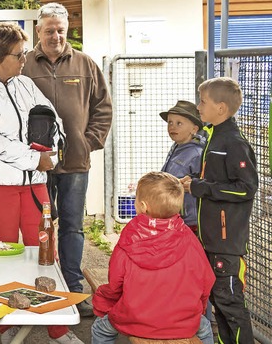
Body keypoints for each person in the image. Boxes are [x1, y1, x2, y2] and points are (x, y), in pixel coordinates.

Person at [0, 23, 81, 344]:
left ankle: (58, 328)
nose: (25, 59)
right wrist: (32, 159)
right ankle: (8, 324)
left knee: (45, 253)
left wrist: (50, 153)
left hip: (36, 186)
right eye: (19, 54)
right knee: (4, 258)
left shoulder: (25, 84)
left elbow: (51, 118)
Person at [21, 2, 112, 316]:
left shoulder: (85, 65)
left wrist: (87, 143)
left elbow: (103, 108)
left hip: (74, 164)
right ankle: (39, 285)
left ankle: (73, 290)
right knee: (37, 225)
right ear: (38, 31)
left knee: (72, 227)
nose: (55, 36)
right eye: (49, 30)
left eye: (60, 30)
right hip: (35, 165)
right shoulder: (23, 65)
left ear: (67, 30)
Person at [91, 172, 215, 344]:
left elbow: (115, 284)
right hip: (182, 320)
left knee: (100, 329)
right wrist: (197, 309)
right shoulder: (189, 237)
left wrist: (103, 304)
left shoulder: (130, 237)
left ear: (143, 206)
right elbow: (206, 280)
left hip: (136, 319)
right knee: (205, 328)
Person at [181, 77, 258, 344]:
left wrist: (202, 188)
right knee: (221, 306)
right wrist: (195, 184)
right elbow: (217, 182)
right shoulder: (214, 136)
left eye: (203, 101)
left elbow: (246, 188)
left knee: (231, 307)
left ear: (221, 108)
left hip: (227, 244)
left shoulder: (233, 143)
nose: (198, 107)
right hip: (213, 240)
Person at [160, 100, 205, 231]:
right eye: (170, 122)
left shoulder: (197, 153)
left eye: (179, 123)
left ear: (194, 129)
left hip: (189, 219)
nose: (172, 127)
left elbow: (202, 181)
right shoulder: (177, 147)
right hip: (175, 215)